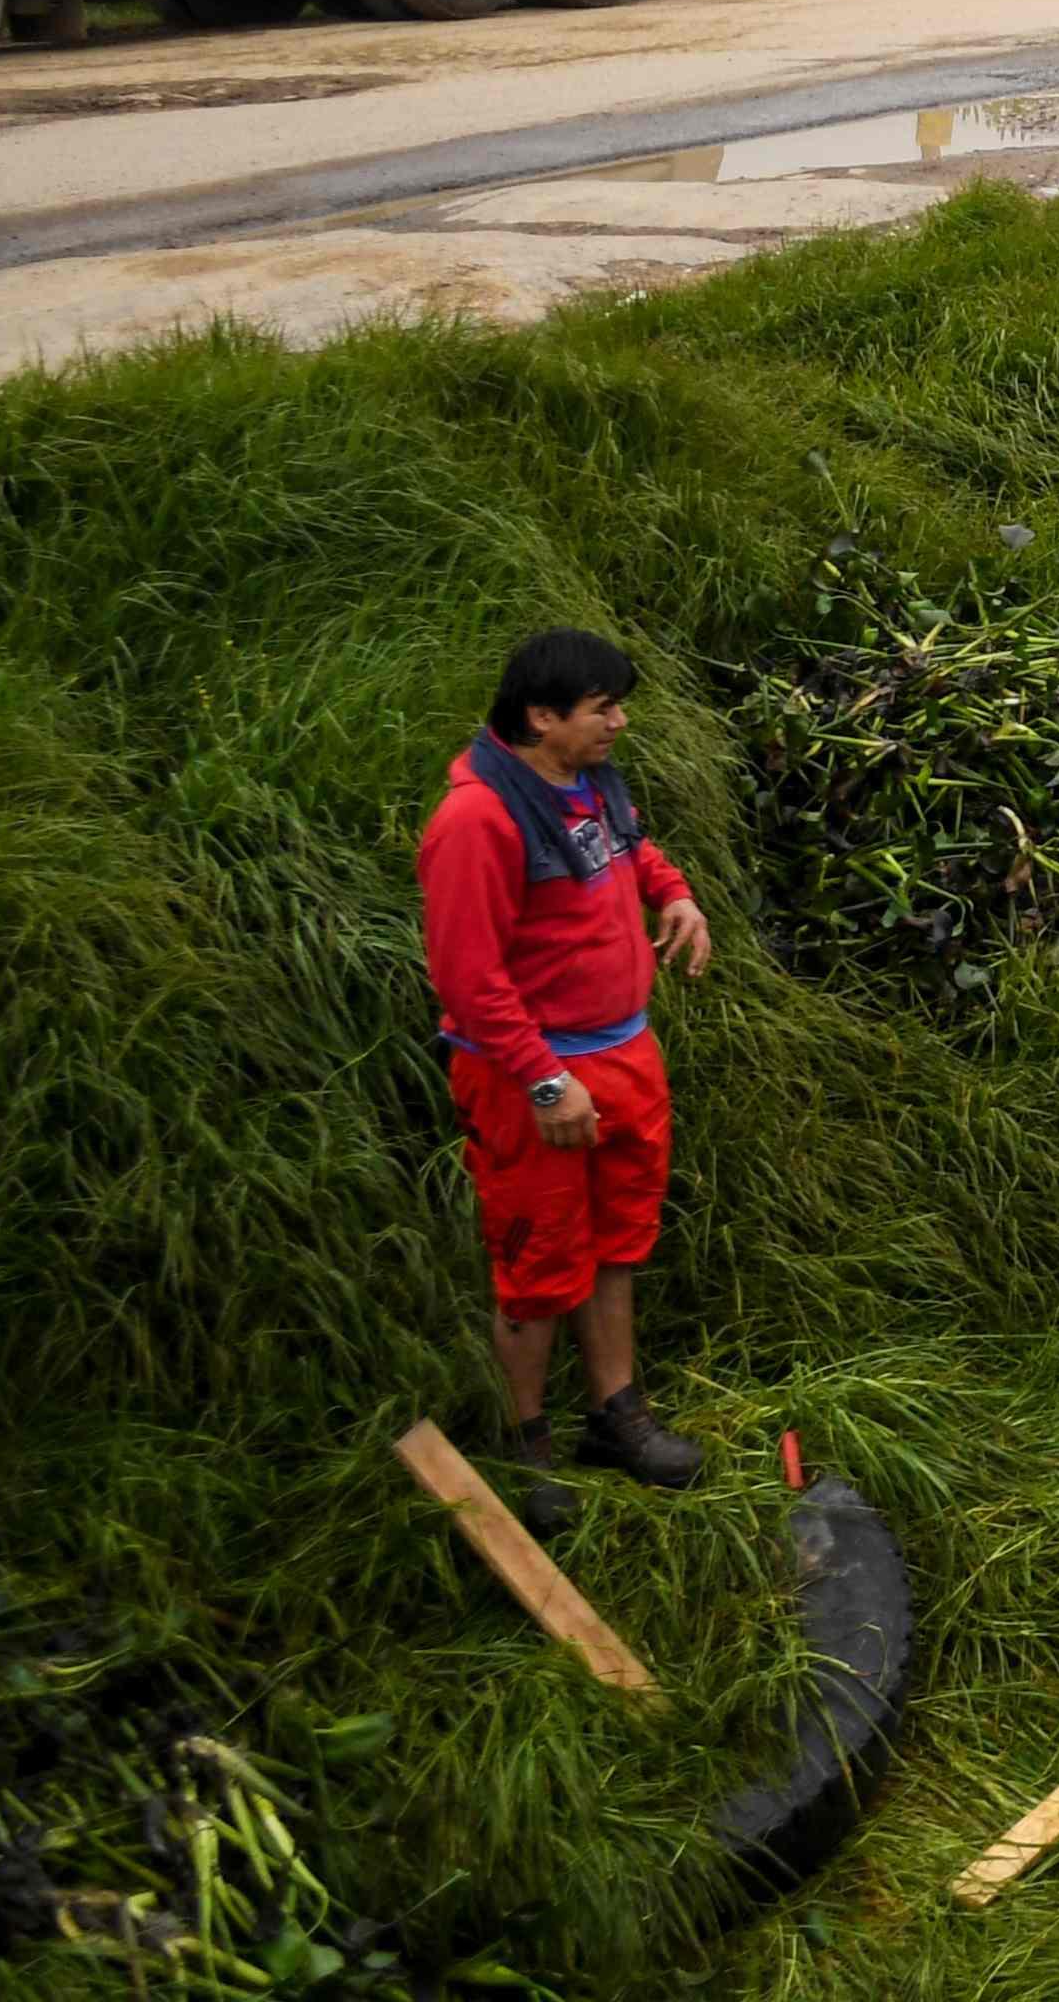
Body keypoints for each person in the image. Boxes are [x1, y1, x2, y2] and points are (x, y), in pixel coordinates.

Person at [416, 627, 715, 1532]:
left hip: (624, 1056)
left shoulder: (585, 782)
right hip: (531, 1077)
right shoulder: (476, 822)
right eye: (602, 710)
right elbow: (467, 979)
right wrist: (545, 1083)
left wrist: (674, 892)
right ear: (541, 718)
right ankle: (527, 1447)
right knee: (537, 1265)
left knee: (619, 1241)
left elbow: (630, 849)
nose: (620, 723)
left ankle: (618, 1419)